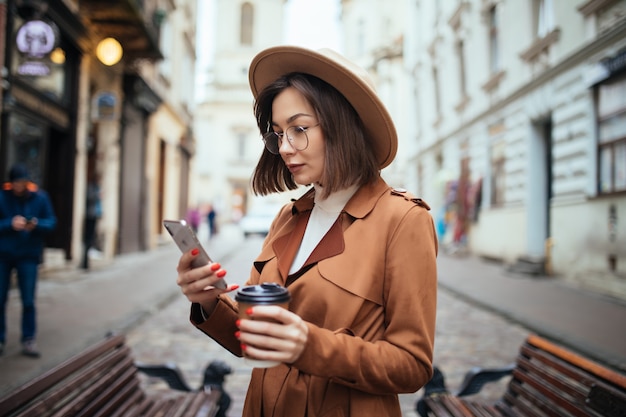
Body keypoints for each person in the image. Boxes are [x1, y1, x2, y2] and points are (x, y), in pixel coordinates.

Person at [176, 46, 438, 416]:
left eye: (299, 129)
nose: (284, 147)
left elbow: (412, 365)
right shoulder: (288, 217)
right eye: (279, 133)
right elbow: (252, 337)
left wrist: (307, 345)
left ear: (341, 123)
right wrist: (207, 300)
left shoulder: (402, 220)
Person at [0, 163, 57, 357]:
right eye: (17, 182)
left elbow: (51, 222)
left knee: (28, 301)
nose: (20, 186)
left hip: (28, 255)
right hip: (4, 255)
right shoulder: (2, 197)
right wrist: (9, 223)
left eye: (23, 182)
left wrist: (36, 224)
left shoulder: (40, 198)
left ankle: (28, 340)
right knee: (0, 299)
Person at [81, 171, 103, 269]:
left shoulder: (97, 187)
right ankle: (84, 262)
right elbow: (89, 198)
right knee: (88, 238)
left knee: (91, 238)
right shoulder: (91, 187)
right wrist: (97, 195)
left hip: (94, 215)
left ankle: (87, 261)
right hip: (90, 215)